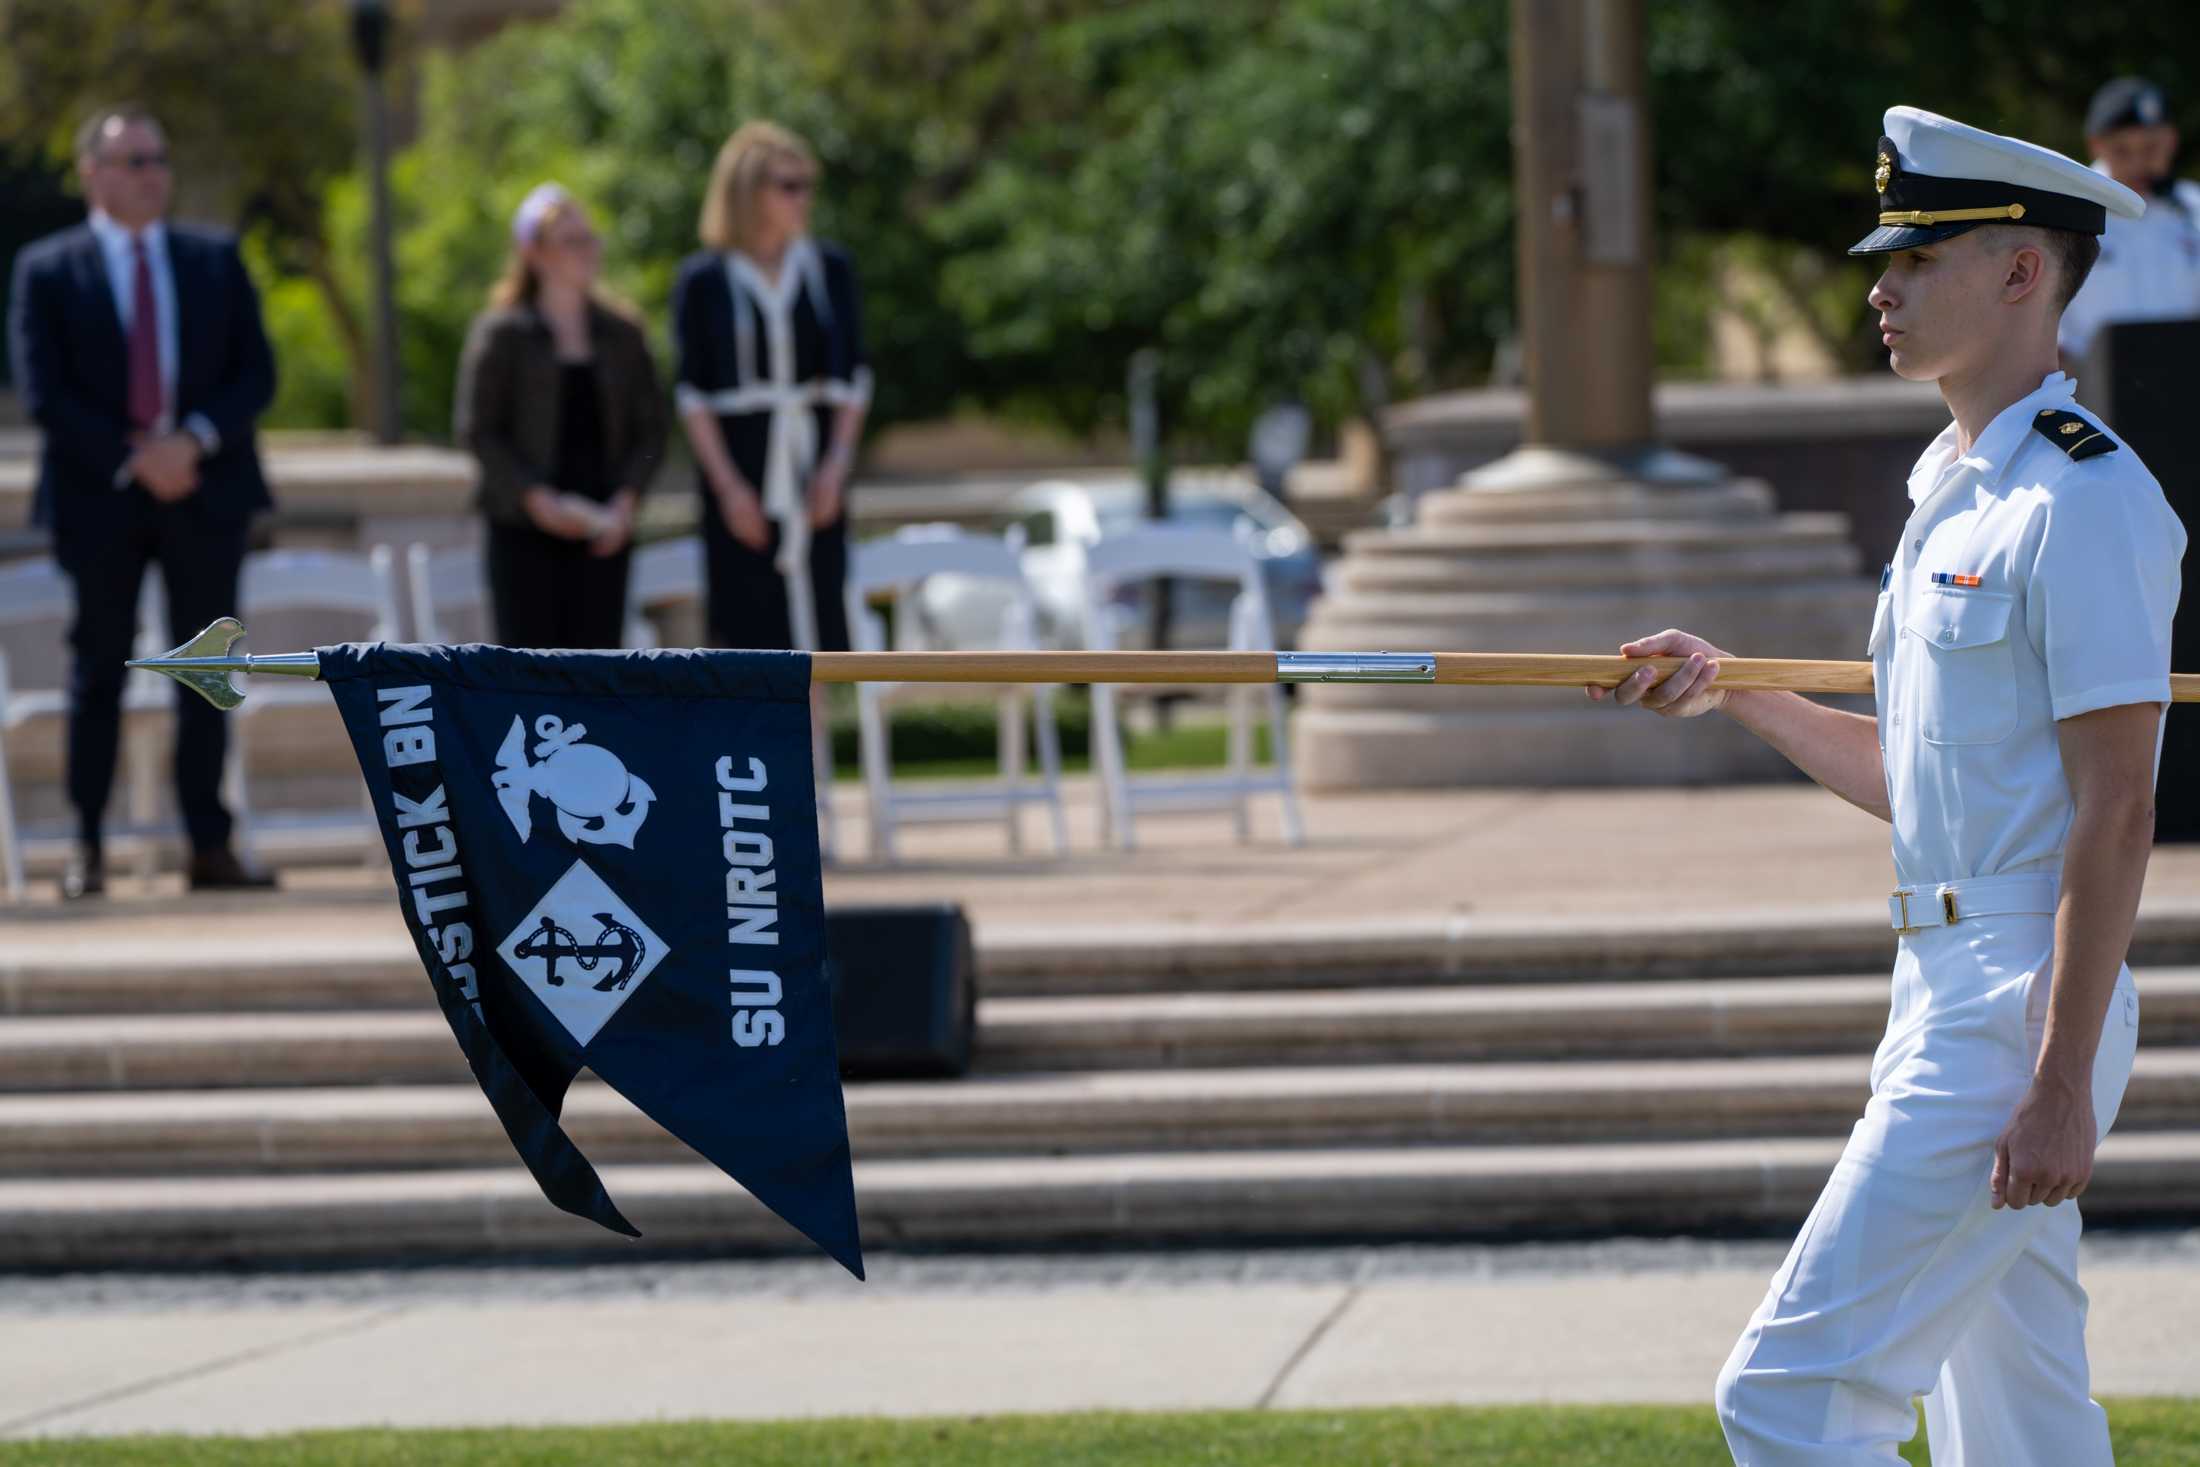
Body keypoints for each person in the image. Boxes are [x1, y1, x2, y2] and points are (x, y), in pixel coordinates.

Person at [1594, 107, 2177, 1464]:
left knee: (1789, 1394)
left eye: (1917, 259)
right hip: (1950, 976)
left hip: (2016, 1001)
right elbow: (1933, 790)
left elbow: (2119, 807)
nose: (1880, 287)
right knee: (2021, 1424)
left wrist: (2057, 1074)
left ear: (2023, 273)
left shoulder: (2082, 500)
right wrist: (1738, 686)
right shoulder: (1956, 493)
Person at [6, 106, 277, 898]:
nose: (151, 172)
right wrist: (137, 456)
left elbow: (255, 375)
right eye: (133, 160)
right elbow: (44, 390)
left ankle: (208, 844)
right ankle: (88, 845)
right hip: (102, 498)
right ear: (92, 171)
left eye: (158, 158)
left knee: (207, 670)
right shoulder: (49, 268)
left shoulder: (214, 259)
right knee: (99, 667)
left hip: (204, 489)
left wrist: (189, 440)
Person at [670, 121, 869, 658]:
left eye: (806, 184)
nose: (802, 197)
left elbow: (853, 377)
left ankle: (818, 744)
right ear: (748, 192)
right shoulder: (703, 279)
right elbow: (693, 394)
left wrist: (835, 467)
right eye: (788, 185)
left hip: (812, 456)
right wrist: (730, 489)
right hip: (740, 462)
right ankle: (752, 747)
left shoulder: (828, 268)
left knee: (818, 627)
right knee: (747, 632)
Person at [454, 184, 666, 649]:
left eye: (591, 239)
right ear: (535, 254)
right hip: (523, 532)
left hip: (604, 532)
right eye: (572, 241)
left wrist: (626, 503)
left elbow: (652, 430)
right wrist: (536, 499)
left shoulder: (623, 334)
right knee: (528, 674)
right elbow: (478, 430)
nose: (588, 251)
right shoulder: (502, 334)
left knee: (595, 675)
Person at [2057, 76, 2200, 367]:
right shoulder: (2065, 214)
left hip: (2186, 386)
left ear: (2171, 141)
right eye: (2122, 150)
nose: (2138, 163)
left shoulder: (2194, 209)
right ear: (2096, 145)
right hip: (2091, 392)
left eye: (2150, 149)